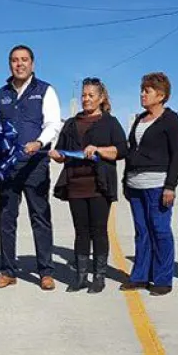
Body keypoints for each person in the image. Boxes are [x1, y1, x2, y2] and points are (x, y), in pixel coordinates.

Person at [0, 45, 62, 290]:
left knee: (40, 217)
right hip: (7, 167)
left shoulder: (45, 91)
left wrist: (39, 142)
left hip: (35, 166)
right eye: (15, 60)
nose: (20, 64)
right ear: (10, 65)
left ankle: (45, 272)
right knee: (6, 218)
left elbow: (53, 124)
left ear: (32, 64)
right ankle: (7, 271)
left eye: (24, 60)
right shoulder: (2, 94)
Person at [50, 78, 127, 293]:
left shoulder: (109, 122)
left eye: (91, 95)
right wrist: (56, 155)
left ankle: (99, 276)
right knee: (80, 231)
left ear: (101, 98)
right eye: (84, 95)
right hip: (75, 184)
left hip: (99, 185)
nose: (86, 99)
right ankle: (81, 276)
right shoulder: (71, 123)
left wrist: (100, 150)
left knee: (99, 231)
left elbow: (122, 150)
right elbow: (62, 153)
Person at [121, 73, 178, 296]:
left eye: (147, 91)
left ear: (161, 95)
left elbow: (177, 155)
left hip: (158, 184)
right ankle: (140, 276)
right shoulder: (140, 119)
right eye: (142, 90)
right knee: (142, 231)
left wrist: (170, 186)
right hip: (135, 184)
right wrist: (125, 181)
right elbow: (131, 151)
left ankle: (162, 278)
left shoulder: (171, 120)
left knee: (160, 230)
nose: (142, 94)